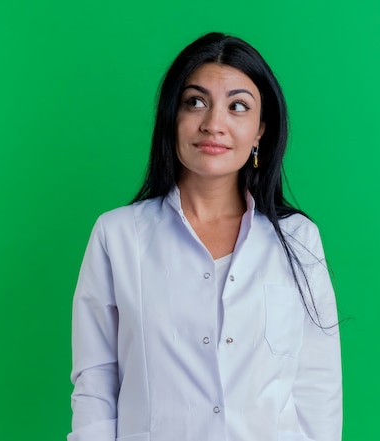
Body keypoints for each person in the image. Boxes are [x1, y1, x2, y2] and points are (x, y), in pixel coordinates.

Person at [68, 32, 342, 441]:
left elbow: (317, 388)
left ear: (260, 131)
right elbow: (96, 383)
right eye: (195, 102)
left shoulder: (299, 239)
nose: (214, 124)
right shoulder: (118, 235)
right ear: (171, 118)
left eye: (237, 107)